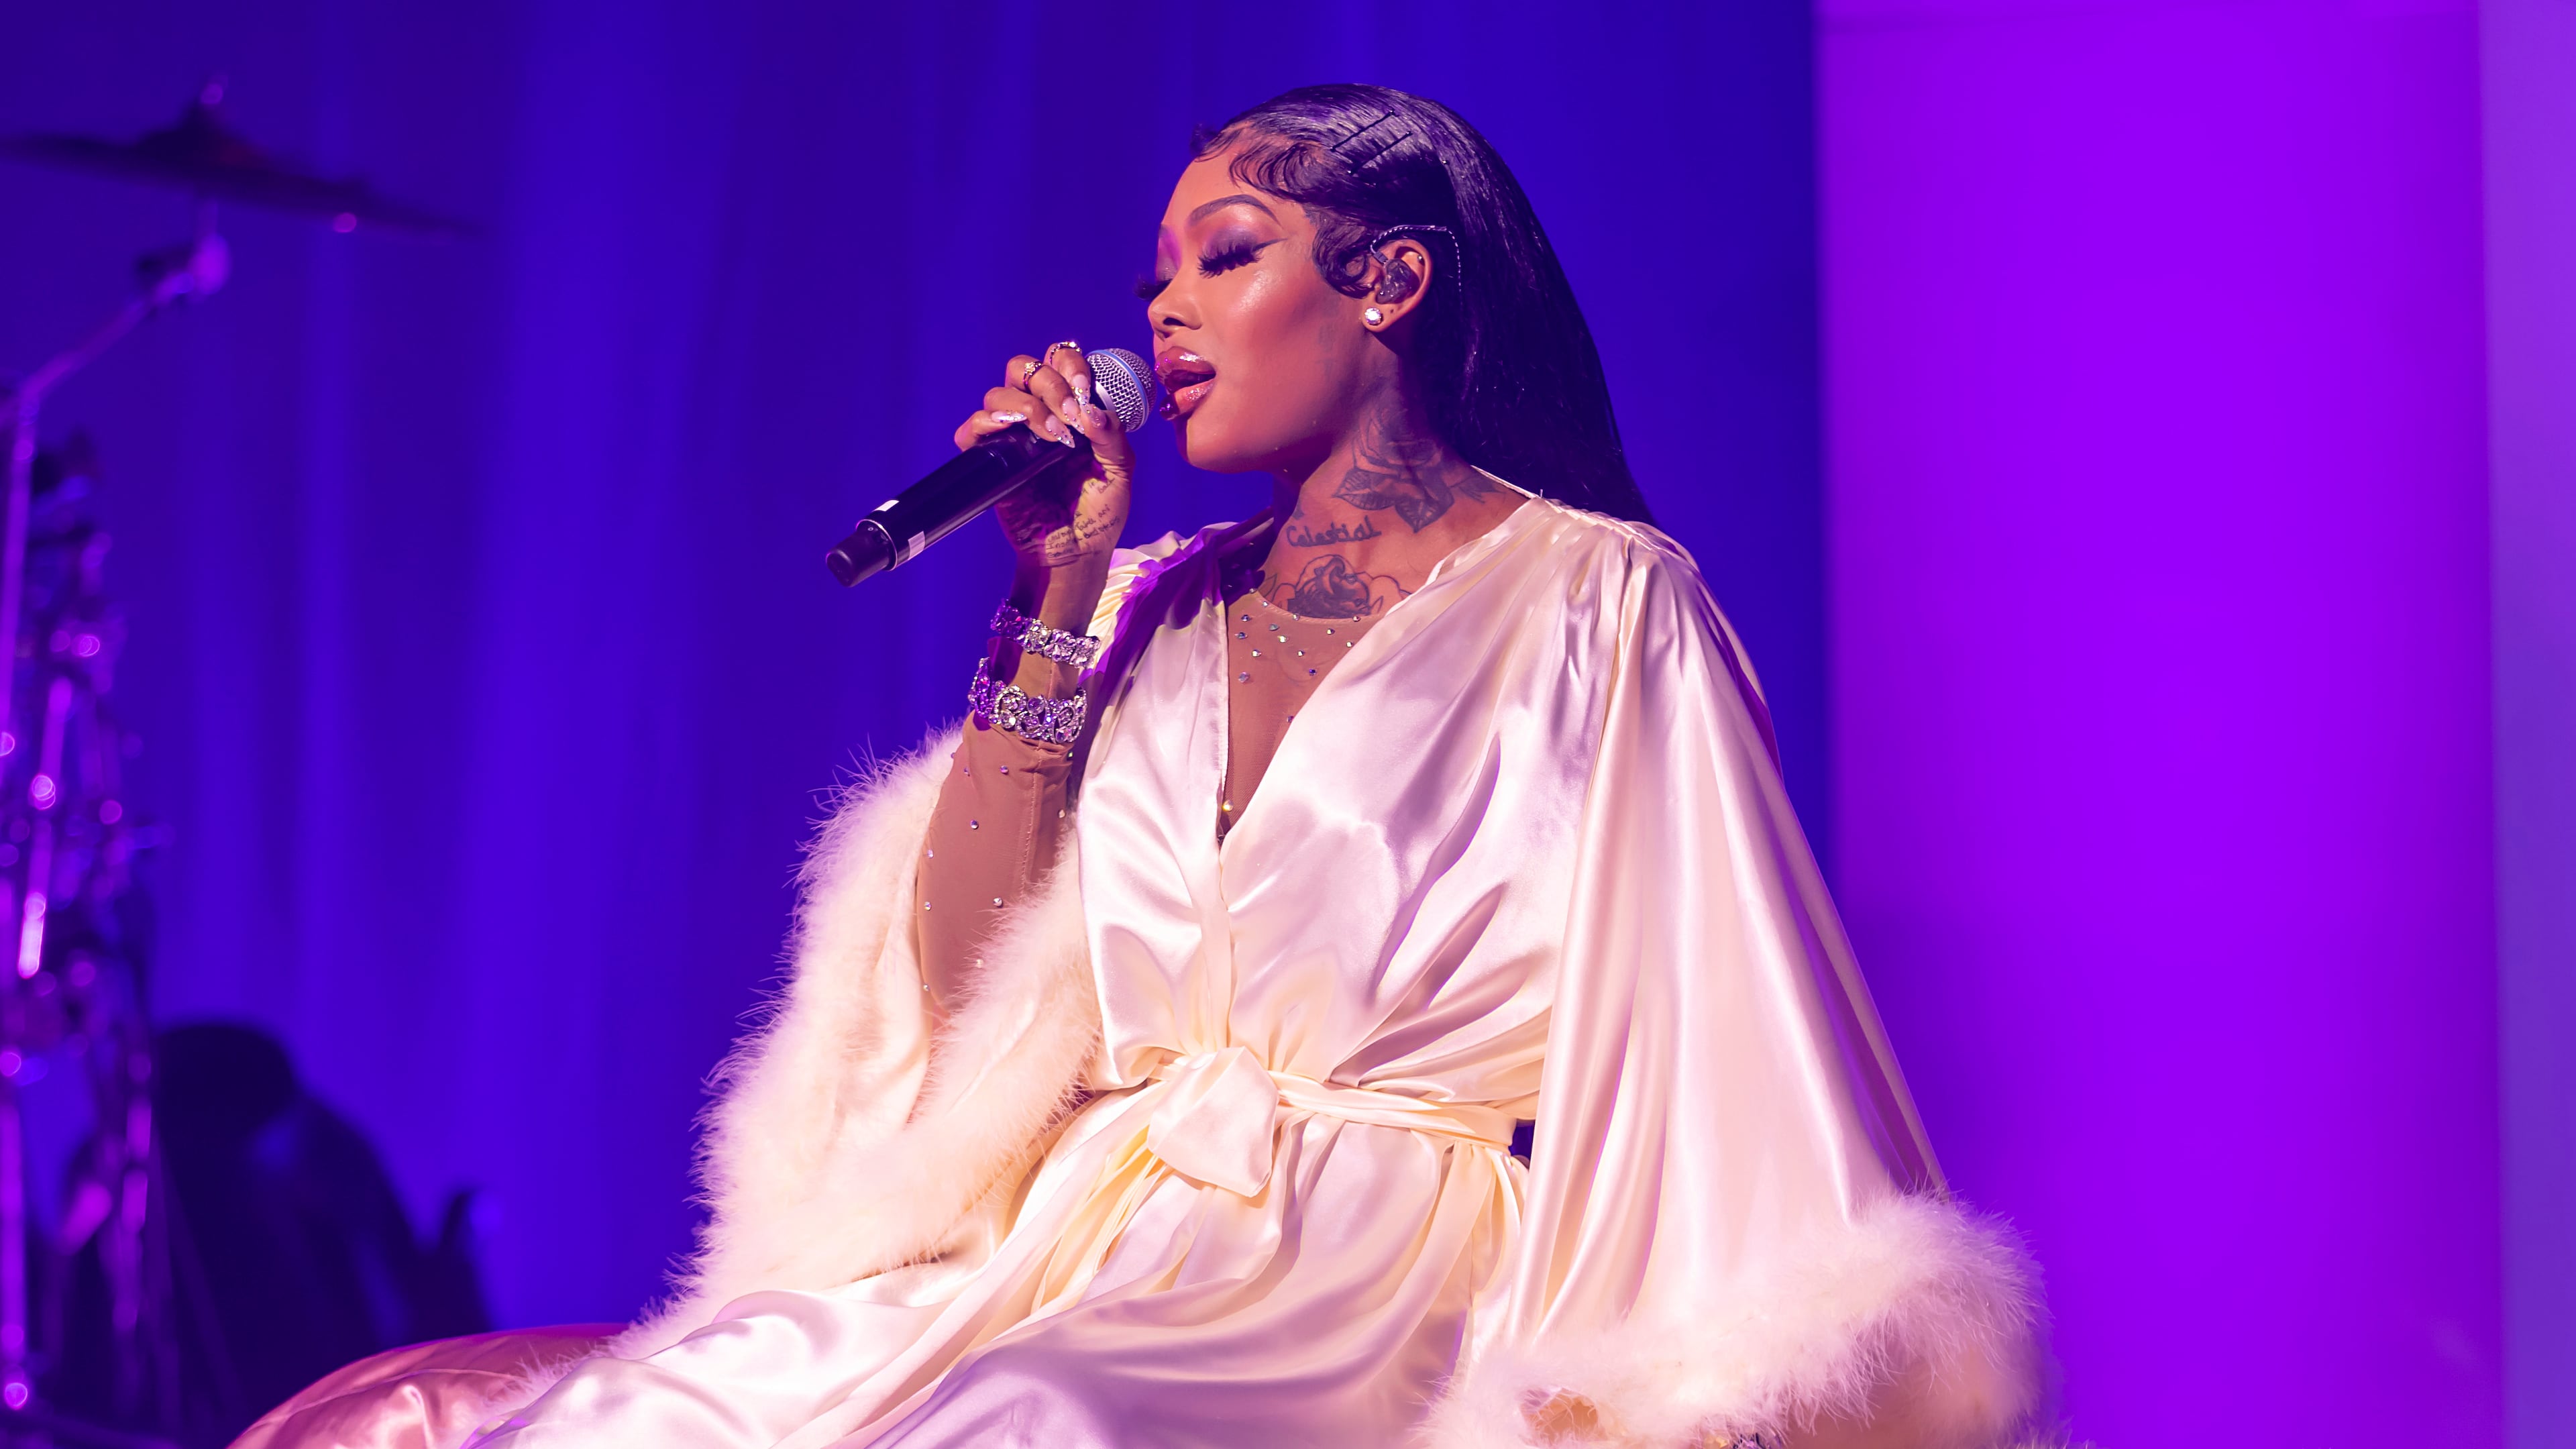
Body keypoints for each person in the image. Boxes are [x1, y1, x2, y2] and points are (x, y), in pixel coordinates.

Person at [235, 84, 2052, 1449]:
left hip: (1356, 1274)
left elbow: (1716, 1022)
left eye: (1225, 257)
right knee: (657, 1411)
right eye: (1155, 278)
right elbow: (966, 1005)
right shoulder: (1147, 604)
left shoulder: (1598, 600)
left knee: (1041, 1422)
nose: (1162, 317)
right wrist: (1053, 595)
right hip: (1067, 1241)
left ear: (1392, 281)